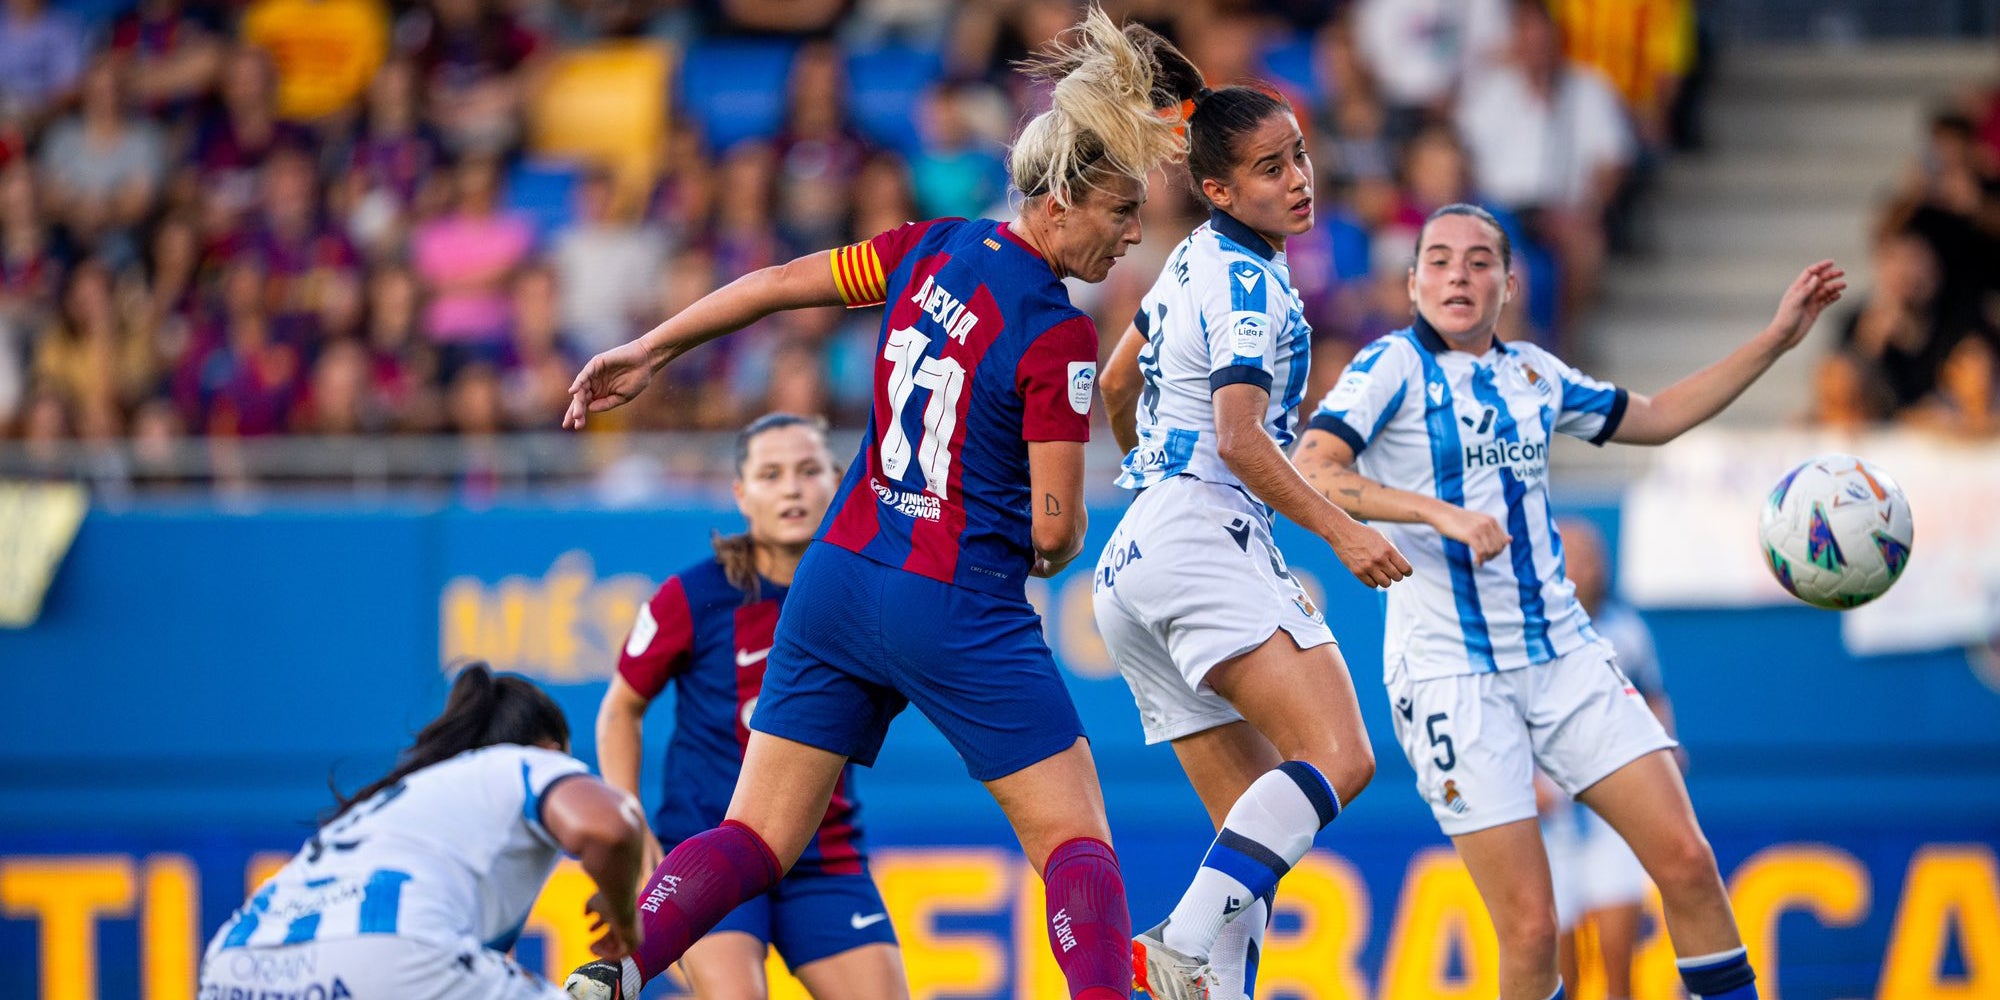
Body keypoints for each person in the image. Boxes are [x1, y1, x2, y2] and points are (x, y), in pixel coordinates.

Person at [558, 9, 1205, 1000]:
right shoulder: (1054, 334)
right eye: (1120, 211)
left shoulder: (932, 246)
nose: (1129, 234)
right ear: (1061, 200)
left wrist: (651, 348)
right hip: (953, 599)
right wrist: (1052, 542)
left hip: (838, 578)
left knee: (751, 834)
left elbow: (778, 282)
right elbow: (1052, 530)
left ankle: (615, 972)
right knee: (1073, 838)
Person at [1292, 201, 1844, 1000]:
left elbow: (1651, 419)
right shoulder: (1387, 369)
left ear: (1509, 284)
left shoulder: (1534, 375)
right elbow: (1312, 466)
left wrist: (1774, 341)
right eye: (1439, 259)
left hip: (1563, 656)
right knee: (1530, 932)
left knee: (1688, 863)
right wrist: (1436, 512)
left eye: (1479, 260)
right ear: (1412, 283)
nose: (1458, 273)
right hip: (1451, 677)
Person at [1091, 83, 1411, 1000]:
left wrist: (1154, 477)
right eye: (1270, 170)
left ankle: (1204, 968)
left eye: (1300, 155)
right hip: (1199, 530)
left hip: (1136, 557)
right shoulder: (1247, 283)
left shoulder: (1189, 257)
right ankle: (1176, 947)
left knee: (1249, 840)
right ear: (1221, 192)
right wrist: (1343, 532)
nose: (1299, 180)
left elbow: (1118, 383)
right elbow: (1237, 436)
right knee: (1342, 756)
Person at [597, 413, 909, 1000]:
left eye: (808, 470)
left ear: (838, 482)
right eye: (771, 474)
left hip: (824, 856)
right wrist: (634, 839)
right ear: (741, 494)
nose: (792, 488)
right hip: (709, 849)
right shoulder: (693, 595)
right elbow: (620, 711)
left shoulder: (871, 594)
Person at [197, 664, 648, 999]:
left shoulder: (397, 796)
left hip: (234, 966)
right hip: (386, 949)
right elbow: (610, 827)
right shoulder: (522, 762)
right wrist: (622, 910)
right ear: (551, 749)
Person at [1540, 516, 1679, 1000]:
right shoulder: (1528, 629)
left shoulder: (1628, 631)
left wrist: (1666, 753)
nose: (1584, 568)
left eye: (1591, 557)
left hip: (1614, 811)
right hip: (1554, 817)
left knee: (1619, 955)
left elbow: (1654, 697)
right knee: (1561, 967)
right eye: (1572, 555)